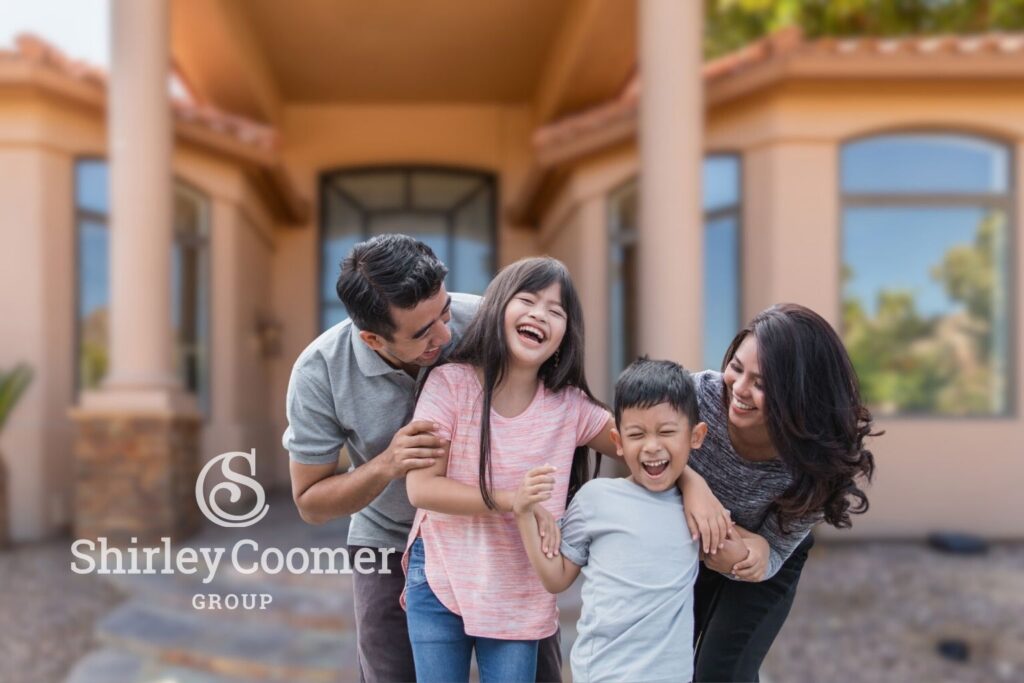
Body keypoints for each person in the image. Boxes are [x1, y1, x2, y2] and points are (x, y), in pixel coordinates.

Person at [283, 235, 564, 682]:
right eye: (422, 333)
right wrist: (386, 464)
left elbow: (569, 404)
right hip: (390, 539)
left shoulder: (488, 322)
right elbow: (310, 502)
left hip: (498, 530)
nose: (447, 335)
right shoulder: (319, 372)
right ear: (373, 338)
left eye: (445, 311)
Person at [402, 257, 618, 683]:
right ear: (498, 307)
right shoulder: (450, 384)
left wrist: (693, 483)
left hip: (521, 589)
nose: (541, 314)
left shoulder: (571, 407)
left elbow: (644, 445)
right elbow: (421, 488)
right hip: (441, 573)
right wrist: (510, 500)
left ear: (564, 337)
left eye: (556, 311)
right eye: (528, 300)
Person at [680, 303, 879, 682]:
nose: (739, 389)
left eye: (762, 384)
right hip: (690, 539)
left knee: (719, 673)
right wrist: (692, 483)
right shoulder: (692, 398)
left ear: (800, 394)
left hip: (769, 551)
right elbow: (638, 449)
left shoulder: (819, 463)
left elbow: (766, 554)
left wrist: (750, 552)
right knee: (668, 659)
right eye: (736, 368)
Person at [515, 357, 728, 683]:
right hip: (602, 673)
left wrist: (763, 549)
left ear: (696, 436)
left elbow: (734, 556)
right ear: (618, 441)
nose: (652, 446)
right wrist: (524, 513)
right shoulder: (594, 499)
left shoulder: (696, 509)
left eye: (667, 431)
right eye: (637, 434)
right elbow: (555, 579)